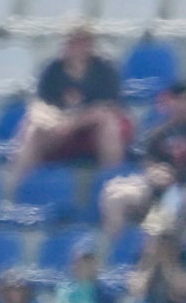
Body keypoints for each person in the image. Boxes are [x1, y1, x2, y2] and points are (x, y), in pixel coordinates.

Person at [100, 83, 186, 239]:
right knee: (115, 195)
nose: (184, 105)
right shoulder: (158, 133)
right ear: (170, 103)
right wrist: (154, 172)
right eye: (179, 100)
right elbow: (149, 163)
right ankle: (116, 254)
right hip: (162, 189)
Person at [11, 22, 131, 184]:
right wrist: (49, 119)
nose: (76, 47)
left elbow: (107, 108)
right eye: (72, 42)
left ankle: (112, 181)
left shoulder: (104, 69)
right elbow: (40, 104)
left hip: (92, 127)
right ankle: (17, 186)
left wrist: (72, 123)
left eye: (82, 41)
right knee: (33, 128)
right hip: (60, 127)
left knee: (108, 124)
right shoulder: (53, 69)